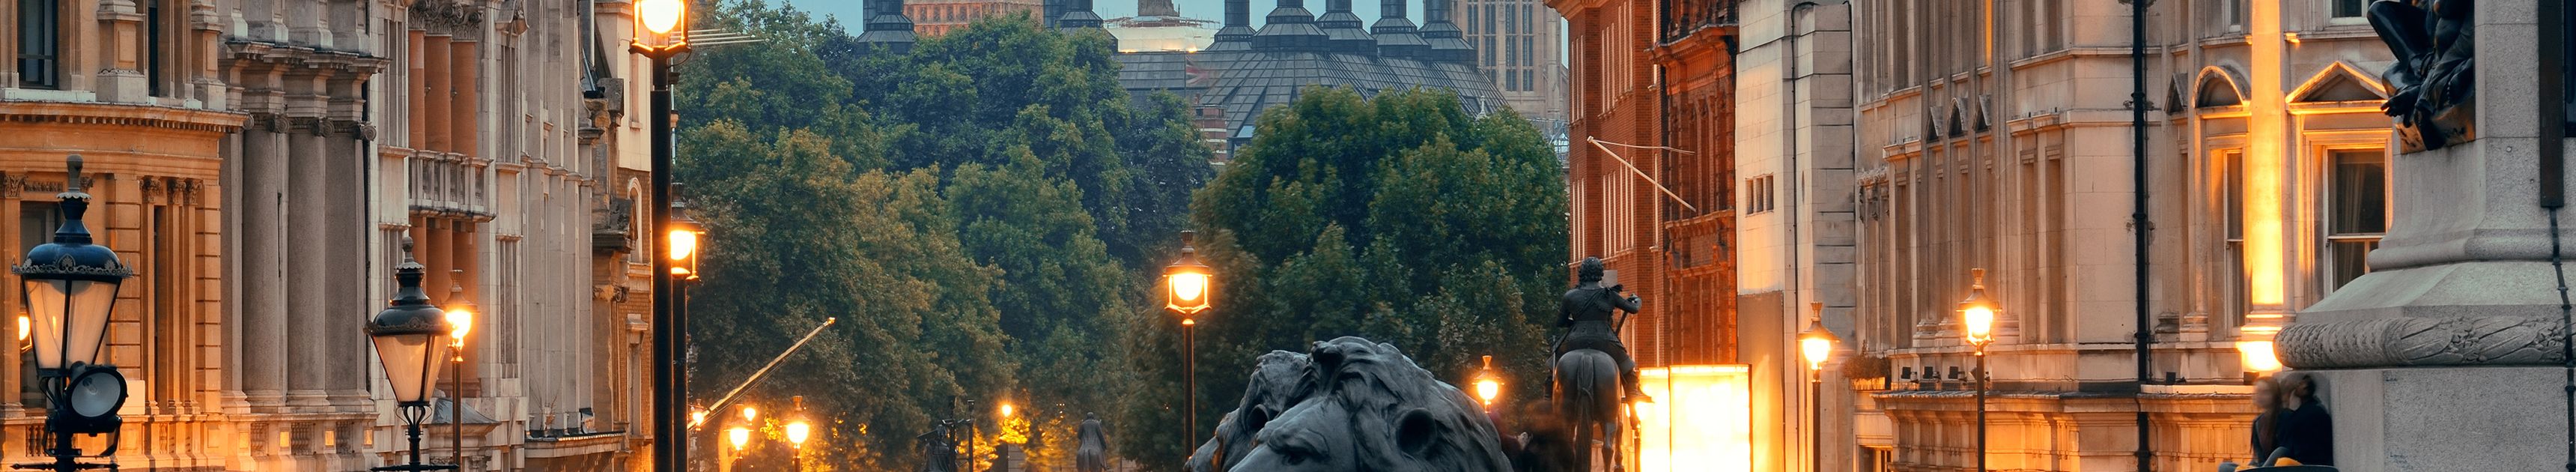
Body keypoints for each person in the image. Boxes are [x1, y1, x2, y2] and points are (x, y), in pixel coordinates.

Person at [1556, 257, 1645, 400]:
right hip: (1604, 341)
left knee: (1554, 361)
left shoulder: (1570, 296)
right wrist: (1637, 300)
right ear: (1601, 273)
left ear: (1581, 273)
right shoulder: (1609, 295)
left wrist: (1575, 325)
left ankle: (1548, 393)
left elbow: (1560, 322)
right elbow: (1633, 309)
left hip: (1575, 341)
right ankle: (1633, 390)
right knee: (1626, 363)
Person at [2273, 371, 2336, 466]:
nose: (2296, 386)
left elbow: (2286, 445)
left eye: (2300, 384)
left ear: (2305, 388)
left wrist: (2287, 401)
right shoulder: (2314, 410)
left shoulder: (2304, 415)